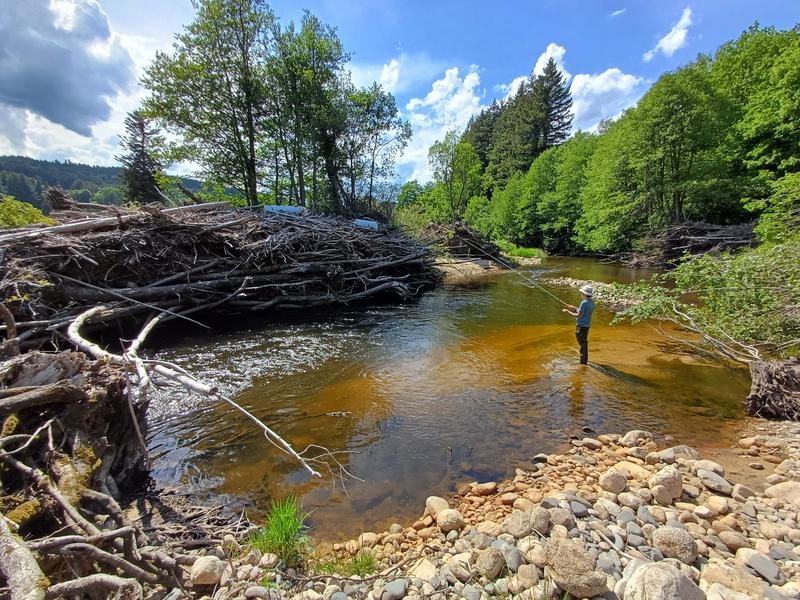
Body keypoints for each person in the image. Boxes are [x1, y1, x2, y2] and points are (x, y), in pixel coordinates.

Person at [562, 285, 595, 365]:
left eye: (582, 293)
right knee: (584, 344)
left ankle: (583, 363)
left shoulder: (583, 303)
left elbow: (578, 315)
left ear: (584, 294)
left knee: (582, 345)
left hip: (581, 326)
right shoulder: (591, 302)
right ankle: (583, 362)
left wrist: (568, 311)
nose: (581, 294)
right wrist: (573, 307)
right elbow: (582, 311)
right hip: (586, 326)